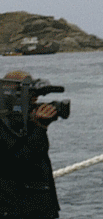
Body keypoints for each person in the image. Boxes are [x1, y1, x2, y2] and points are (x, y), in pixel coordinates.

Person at [0, 70, 61, 219]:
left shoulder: (20, 121)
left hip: (37, 206)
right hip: (16, 208)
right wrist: (40, 127)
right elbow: (20, 161)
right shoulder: (6, 124)